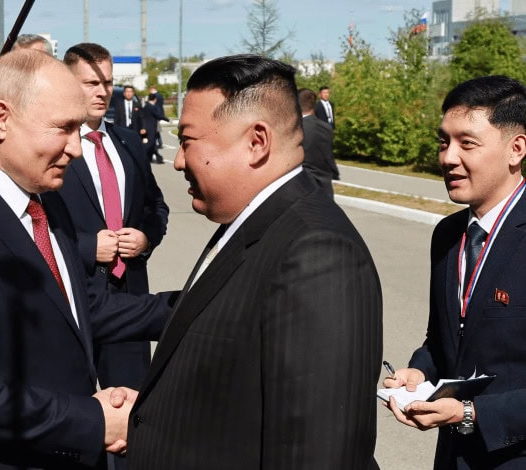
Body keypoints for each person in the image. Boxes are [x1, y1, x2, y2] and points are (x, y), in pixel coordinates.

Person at [0, 49, 173, 470]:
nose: (76, 148)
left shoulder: (45, 203)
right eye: (64, 128)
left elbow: (79, 310)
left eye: (78, 129)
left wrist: (189, 308)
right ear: (2, 119)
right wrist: (95, 421)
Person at [126, 55, 383, 469]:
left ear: (256, 142)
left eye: (188, 141)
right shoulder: (252, 219)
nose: (178, 161)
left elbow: (316, 453)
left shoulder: (318, 254)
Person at [383, 75, 526, 468]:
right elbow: (444, 339)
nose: (447, 157)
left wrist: (470, 413)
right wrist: (419, 371)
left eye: (467, 143)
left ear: (516, 149)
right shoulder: (447, 235)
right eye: (443, 142)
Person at [59, 43, 169, 469]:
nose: (102, 91)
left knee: (131, 417)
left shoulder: (126, 143)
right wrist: (88, 247)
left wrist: (145, 237)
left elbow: (155, 206)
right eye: (91, 82)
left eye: (107, 82)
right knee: (77, 418)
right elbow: (30, 225)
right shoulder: (54, 144)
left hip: (129, 300)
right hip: (75, 303)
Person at [298, 88, 338, 196]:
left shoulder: (296, 128)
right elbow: (328, 154)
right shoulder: (326, 128)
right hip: (324, 185)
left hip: (303, 185)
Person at [140, 93, 166, 164]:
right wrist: (167, 119)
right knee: (150, 143)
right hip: (151, 128)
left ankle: (152, 158)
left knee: (153, 144)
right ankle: (143, 156)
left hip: (146, 127)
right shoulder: (152, 107)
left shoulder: (146, 106)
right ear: (155, 99)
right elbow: (158, 115)